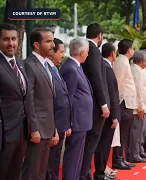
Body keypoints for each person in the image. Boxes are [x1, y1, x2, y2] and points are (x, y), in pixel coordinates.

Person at [0, 23, 35, 180]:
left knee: (15, 174)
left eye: (14, 39)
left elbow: (27, 97)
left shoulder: (20, 63)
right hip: (4, 134)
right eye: (6, 39)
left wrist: (32, 127)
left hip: (22, 132)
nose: (11, 43)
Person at [22, 28, 57, 180]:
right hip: (37, 130)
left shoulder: (46, 65)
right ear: (36, 45)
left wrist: (54, 127)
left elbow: (49, 100)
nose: (53, 45)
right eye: (48, 41)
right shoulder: (29, 64)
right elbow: (28, 99)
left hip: (48, 127)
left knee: (41, 172)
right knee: (32, 172)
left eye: (53, 41)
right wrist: (33, 128)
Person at [80, 23, 111, 180]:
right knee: (91, 143)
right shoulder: (93, 51)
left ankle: (86, 174)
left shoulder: (88, 50)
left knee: (90, 143)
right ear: (100, 36)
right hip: (95, 106)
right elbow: (97, 79)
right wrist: (104, 104)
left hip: (92, 104)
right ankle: (84, 175)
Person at [60, 38, 94, 180]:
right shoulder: (70, 68)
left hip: (82, 120)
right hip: (76, 120)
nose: (87, 55)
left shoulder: (76, 67)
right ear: (81, 53)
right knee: (73, 157)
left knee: (78, 156)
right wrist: (69, 123)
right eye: (86, 52)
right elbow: (68, 97)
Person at [46, 38, 72, 180]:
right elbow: (51, 102)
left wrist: (66, 124)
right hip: (53, 127)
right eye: (61, 52)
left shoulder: (56, 69)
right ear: (52, 52)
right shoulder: (47, 70)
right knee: (49, 163)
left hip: (61, 125)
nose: (63, 55)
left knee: (56, 162)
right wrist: (54, 129)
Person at [94, 43, 119, 180]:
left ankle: (102, 170)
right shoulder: (107, 68)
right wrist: (115, 116)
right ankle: (100, 172)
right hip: (109, 114)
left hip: (108, 112)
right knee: (103, 144)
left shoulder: (106, 67)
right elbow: (112, 95)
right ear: (113, 53)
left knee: (104, 144)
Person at [112, 39, 136, 169]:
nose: (134, 50)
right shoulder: (121, 62)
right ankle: (117, 159)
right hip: (123, 102)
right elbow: (118, 83)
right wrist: (118, 102)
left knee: (124, 132)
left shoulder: (124, 61)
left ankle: (121, 158)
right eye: (133, 48)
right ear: (128, 49)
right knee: (121, 132)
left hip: (127, 101)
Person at [129, 50, 146, 163]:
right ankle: (134, 154)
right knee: (137, 131)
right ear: (144, 60)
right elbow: (136, 90)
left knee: (141, 131)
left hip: (144, 105)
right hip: (139, 107)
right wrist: (140, 106)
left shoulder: (140, 69)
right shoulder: (136, 70)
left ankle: (139, 150)